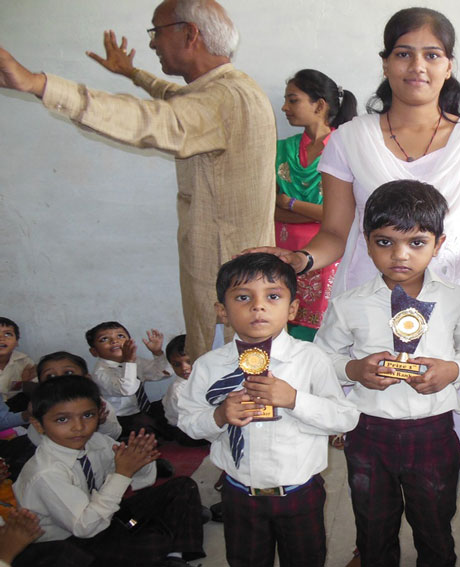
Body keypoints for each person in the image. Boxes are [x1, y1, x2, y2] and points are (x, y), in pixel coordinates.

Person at [0, 0, 277, 360]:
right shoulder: (227, 90)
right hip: (233, 276)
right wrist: (133, 74)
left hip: (228, 283)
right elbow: (177, 98)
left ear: (189, 33)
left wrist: (38, 83)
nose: (151, 43)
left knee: (232, 378)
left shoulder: (225, 97)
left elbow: (149, 120)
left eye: (156, 31)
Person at [258, 7, 460, 306]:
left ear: (448, 67)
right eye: (404, 54)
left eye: (432, 55)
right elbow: (335, 233)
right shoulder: (349, 139)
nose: (417, 66)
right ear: (385, 64)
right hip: (367, 302)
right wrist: (302, 259)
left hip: (451, 303)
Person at [314, 180, 460, 567]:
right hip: (369, 432)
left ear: (438, 244)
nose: (399, 255)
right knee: (373, 524)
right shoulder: (348, 304)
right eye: (385, 242)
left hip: (433, 431)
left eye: (416, 242)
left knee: (435, 524)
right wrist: (354, 369)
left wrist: (452, 370)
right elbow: (322, 358)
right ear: (366, 242)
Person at [177, 253, 359, 567]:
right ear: (222, 311)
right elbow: (188, 422)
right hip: (239, 494)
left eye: (272, 296)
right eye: (243, 297)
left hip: (300, 492)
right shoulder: (208, 366)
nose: (258, 306)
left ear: (292, 309)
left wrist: (294, 399)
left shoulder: (311, 359)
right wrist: (218, 416)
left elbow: (344, 418)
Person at [13, 375, 205, 567]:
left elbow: (138, 481)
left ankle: (175, 556)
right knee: (152, 543)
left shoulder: (97, 442)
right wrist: (122, 474)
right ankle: (166, 536)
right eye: (62, 419)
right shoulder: (46, 473)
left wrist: (140, 460)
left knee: (183, 487)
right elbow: (84, 527)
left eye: (88, 415)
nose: (79, 427)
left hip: (104, 515)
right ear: (38, 425)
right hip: (69, 541)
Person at [275, 69, 357, 341]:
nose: (284, 107)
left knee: (326, 335)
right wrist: (318, 213)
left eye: (293, 100)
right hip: (282, 253)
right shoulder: (280, 149)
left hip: (327, 255)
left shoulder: (345, 148)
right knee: (280, 327)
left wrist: (290, 204)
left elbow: (344, 216)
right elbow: (267, 208)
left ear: (319, 105)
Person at [85, 323, 171, 439]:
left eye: (120, 336)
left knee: (168, 405)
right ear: (94, 351)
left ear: (130, 342)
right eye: (104, 339)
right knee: (147, 428)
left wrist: (157, 353)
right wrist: (128, 362)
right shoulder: (100, 372)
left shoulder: (136, 361)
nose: (114, 341)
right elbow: (127, 390)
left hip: (142, 410)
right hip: (120, 418)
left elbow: (162, 373)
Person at [28, 352, 123, 445]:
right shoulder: (40, 406)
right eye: (50, 376)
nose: (61, 379)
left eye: (68, 373)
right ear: (40, 384)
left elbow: (114, 435)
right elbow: (35, 438)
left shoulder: (98, 404)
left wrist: (101, 423)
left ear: (87, 379)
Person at [161, 335, 206, 447]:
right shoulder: (178, 389)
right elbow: (183, 420)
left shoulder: (204, 377)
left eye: (189, 362)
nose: (184, 368)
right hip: (183, 429)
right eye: (177, 364)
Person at [0, 318, 36, 413]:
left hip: (14, 404)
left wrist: (24, 382)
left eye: (8, 334)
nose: (1, 338)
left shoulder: (24, 362)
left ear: (17, 341)